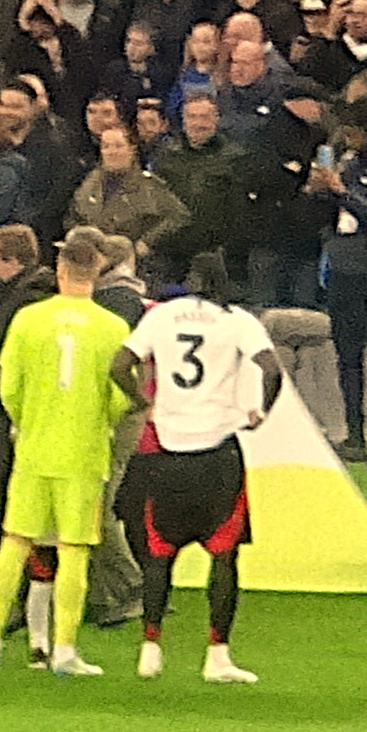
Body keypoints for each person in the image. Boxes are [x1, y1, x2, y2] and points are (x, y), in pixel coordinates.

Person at [0, 228, 133, 677]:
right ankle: (63, 650)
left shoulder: (28, 320)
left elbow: (8, 386)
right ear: (96, 273)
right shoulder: (113, 327)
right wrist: (100, 420)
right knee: (74, 548)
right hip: (83, 452)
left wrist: (28, 421)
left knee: (15, 541)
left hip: (34, 448)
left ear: (60, 270)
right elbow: (121, 395)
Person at [115, 269, 273, 683]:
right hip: (218, 453)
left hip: (169, 451)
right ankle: (217, 655)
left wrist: (142, 402)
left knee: (160, 551)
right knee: (224, 555)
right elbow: (271, 368)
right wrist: (261, 411)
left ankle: (150, 648)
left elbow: (119, 365)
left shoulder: (162, 316)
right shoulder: (237, 320)